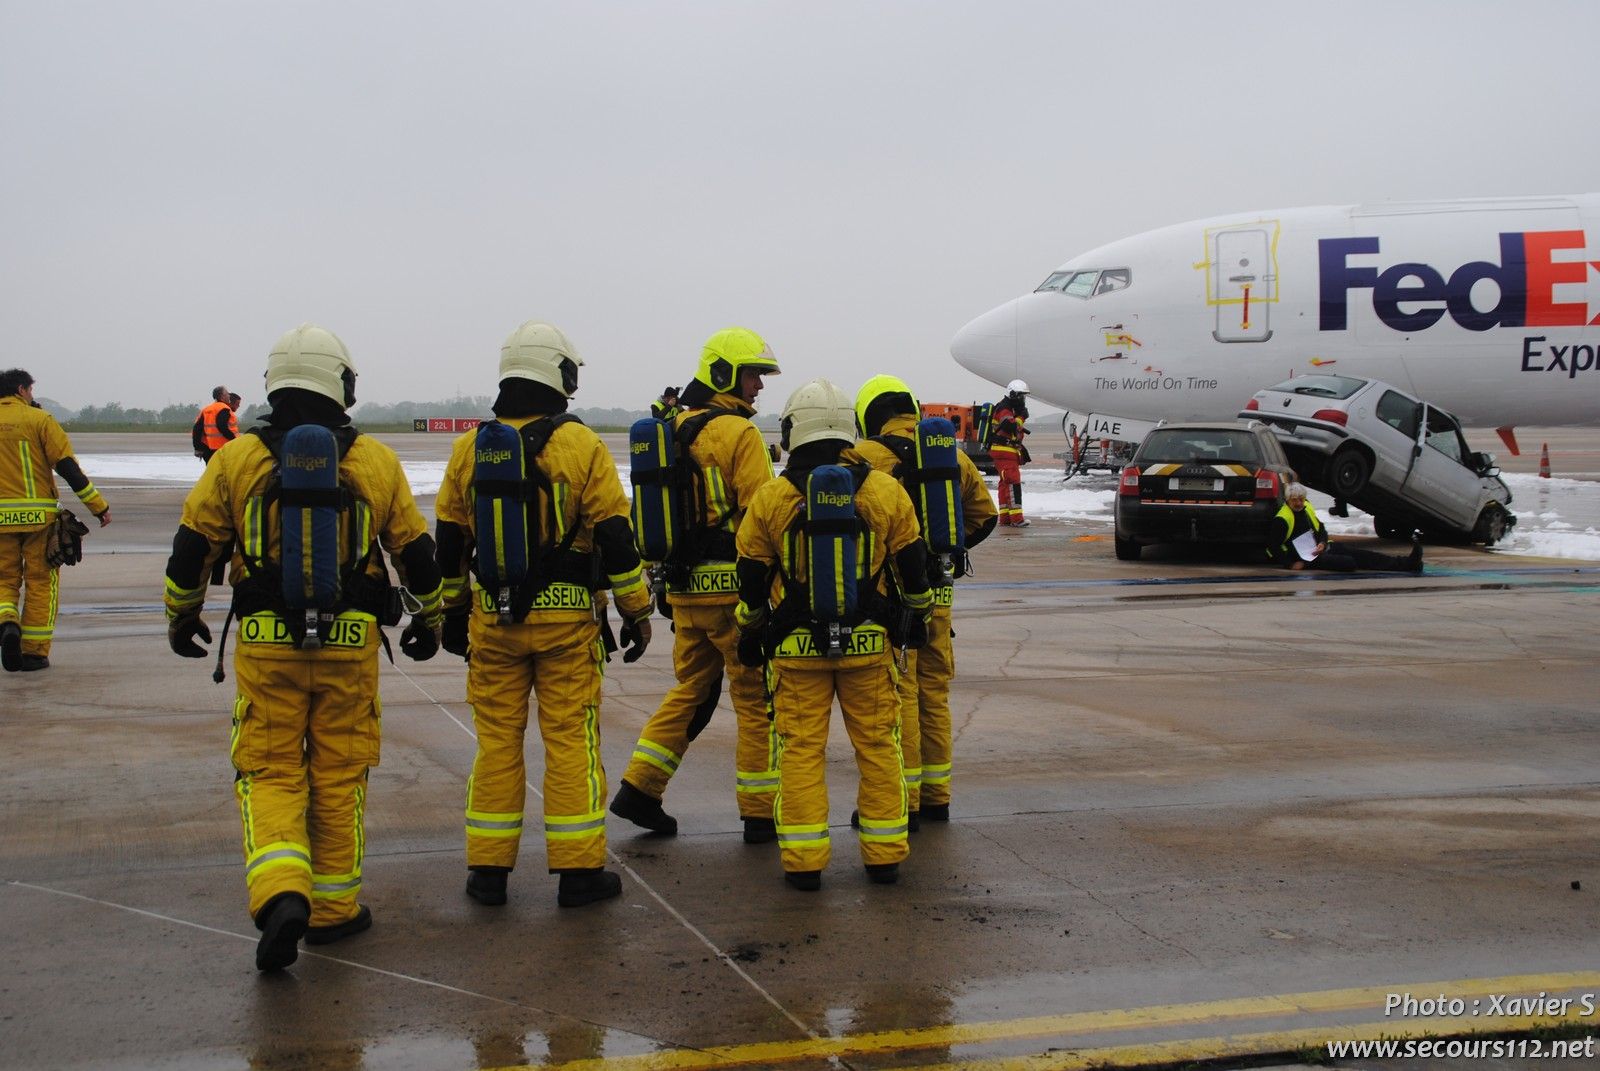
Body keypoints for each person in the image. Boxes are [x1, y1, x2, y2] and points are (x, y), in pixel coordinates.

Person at [163, 324, 444, 971]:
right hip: (350, 650)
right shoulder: (373, 460)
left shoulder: (236, 460)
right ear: (341, 385)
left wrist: (182, 617)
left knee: (270, 769)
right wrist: (429, 619)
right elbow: (418, 556)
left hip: (267, 646)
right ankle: (335, 910)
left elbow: (190, 549)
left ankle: (281, 890)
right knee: (339, 771)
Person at [434, 320, 653, 909]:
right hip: (567, 626)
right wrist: (636, 611)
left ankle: (487, 871)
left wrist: (453, 616)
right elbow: (614, 538)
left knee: (497, 744)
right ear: (559, 373)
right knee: (570, 742)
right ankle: (579, 873)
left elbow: (449, 546)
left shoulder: (466, 450)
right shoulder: (581, 447)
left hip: (492, 623)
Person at [733, 378, 932, 890]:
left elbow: (751, 578)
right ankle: (884, 855)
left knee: (800, 751)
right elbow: (914, 568)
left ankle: (804, 864)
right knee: (877, 746)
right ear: (848, 428)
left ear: (792, 431)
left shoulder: (773, 497)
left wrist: (751, 630)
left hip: (797, 653)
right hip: (869, 647)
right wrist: (917, 618)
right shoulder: (885, 491)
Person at [611, 328, 782, 842]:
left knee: (693, 690)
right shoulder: (738, 434)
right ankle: (760, 813)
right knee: (756, 699)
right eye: (754, 374)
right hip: (733, 593)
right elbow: (761, 517)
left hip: (684, 594)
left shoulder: (671, 428)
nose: (759, 386)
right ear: (724, 373)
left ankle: (639, 790)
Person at [853, 374, 997, 823]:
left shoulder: (862, 459)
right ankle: (937, 797)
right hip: (939, 594)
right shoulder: (950, 457)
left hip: (891, 596)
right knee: (934, 693)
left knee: (901, 694)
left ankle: (904, 800)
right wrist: (946, 556)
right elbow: (985, 517)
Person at [0, 368, 111, 672]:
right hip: (38, 520)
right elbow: (67, 468)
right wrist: (98, 507)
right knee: (40, 582)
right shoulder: (40, 420)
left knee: (4, 580)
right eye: (31, 390)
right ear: (22, 390)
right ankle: (33, 653)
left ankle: (7, 621)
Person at [1268, 484, 1423, 573]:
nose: (1299, 503)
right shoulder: (1282, 519)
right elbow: (1273, 547)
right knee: (1348, 563)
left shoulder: (1307, 508)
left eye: (1301, 499)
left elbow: (1320, 528)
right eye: (1295, 500)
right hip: (1307, 558)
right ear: (1288, 500)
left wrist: (1322, 542)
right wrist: (1290, 564)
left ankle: (1408, 563)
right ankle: (1406, 564)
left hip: (1323, 548)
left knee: (1365, 555)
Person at [989, 379, 1032, 527]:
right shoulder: (1005, 408)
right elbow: (1009, 426)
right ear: (1013, 394)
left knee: (1005, 484)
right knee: (1013, 483)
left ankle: (1006, 517)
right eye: (1021, 396)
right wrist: (1021, 418)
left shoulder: (1007, 408)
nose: (1022, 399)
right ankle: (1017, 519)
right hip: (1005, 451)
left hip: (1004, 451)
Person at [192, 385, 237, 463]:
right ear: (222, 396)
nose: (229, 395)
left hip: (208, 449)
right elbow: (222, 426)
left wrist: (197, 447)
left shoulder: (206, 409)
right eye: (227, 393)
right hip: (224, 448)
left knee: (212, 472)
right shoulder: (224, 408)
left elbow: (197, 429)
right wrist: (234, 439)